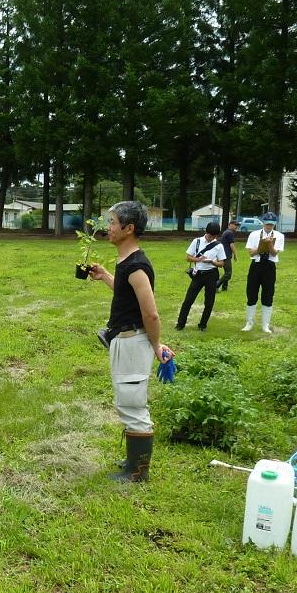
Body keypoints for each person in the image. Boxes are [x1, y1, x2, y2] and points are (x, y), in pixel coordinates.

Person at [88, 201, 172, 483]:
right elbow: (127, 296)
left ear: (129, 228)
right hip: (123, 339)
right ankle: (133, 461)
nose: (108, 228)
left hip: (133, 341)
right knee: (126, 400)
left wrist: (156, 345)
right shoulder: (125, 262)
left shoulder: (136, 266)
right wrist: (105, 277)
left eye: (112, 223)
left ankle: (138, 472)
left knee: (133, 404)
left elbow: (150, 312)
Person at [175, 222, 225, 332]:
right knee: (188, 300)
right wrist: (199, 259)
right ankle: (180, 323)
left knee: (209, 301)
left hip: (211, 274)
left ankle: (203, 325)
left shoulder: (219, 246)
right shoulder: (197, 241)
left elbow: (221, 264)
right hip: (198, 274)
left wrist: (212, 262)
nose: (212, 238)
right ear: (206, 232)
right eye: (211, 235)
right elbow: (188, 258)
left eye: (215, 236)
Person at [242, 211, 285, 333]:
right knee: (251, 293)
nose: (269, 226)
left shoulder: (279, 236)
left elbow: (275, 253)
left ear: (274, 224)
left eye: (271, 224)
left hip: (269, 266)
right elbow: (251, 252)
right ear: (263, 223)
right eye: (267, 224)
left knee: (268, 294)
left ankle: (265, 324)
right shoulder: (254, 234)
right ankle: (249, 322)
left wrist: (270, 244)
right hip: (256, 264)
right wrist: (262, 245)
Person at [217, 220, 239, 291]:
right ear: (230, 225)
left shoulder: (227, 232)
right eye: (235, 225)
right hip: (226, 255)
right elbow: (231, 245)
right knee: (228, 273)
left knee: (227, 272)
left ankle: (224, 288)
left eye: (237, 225)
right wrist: (235, 254)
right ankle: (216, 285)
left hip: (224, 254)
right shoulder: (229, 233)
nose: (236, 227)